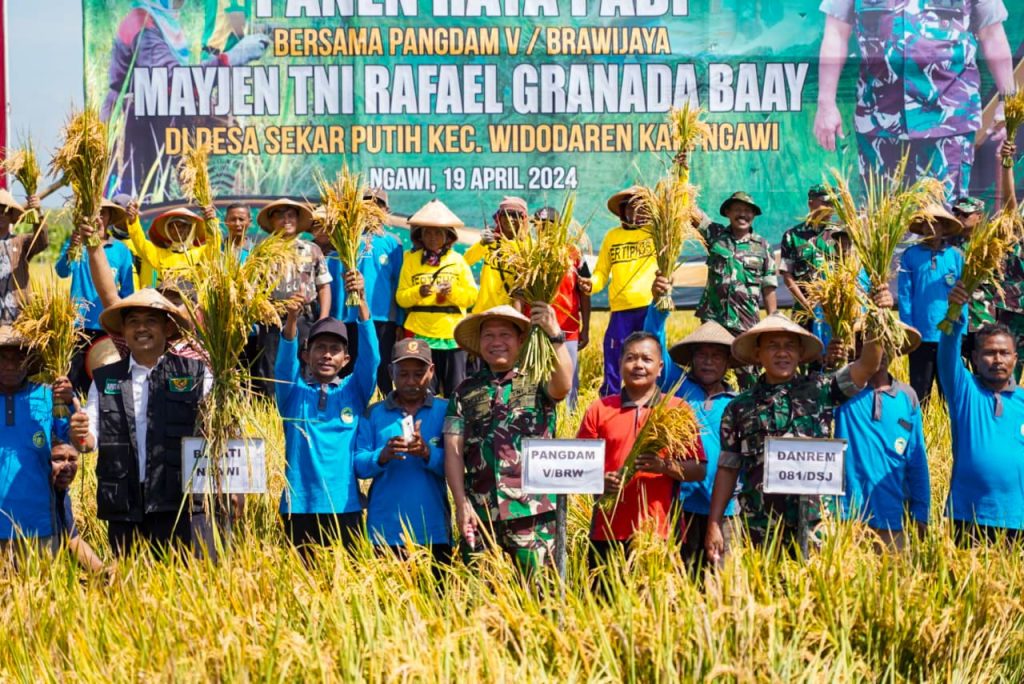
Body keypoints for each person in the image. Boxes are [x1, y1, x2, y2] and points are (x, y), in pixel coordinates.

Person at [705, 283, 893, 561]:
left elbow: (868, 365)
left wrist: (879, 314)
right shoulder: (738, 407)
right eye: (773, 347)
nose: (782, 353)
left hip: (817, 522)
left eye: (789, 346)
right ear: (758, 355)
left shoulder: (822, 388)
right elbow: (727, 469)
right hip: (762, 525)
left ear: (800, 353)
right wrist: (713, 523)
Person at [814, 0, 1014, 199]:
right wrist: (826, 105)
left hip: (948, 123)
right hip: (879, 123)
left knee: (946, 221)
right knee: (881, 223)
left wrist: (1008, 102)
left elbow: (992, 35)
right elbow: (836, 34)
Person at [69, 289, 212, 556]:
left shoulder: (196, 374)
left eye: (151, 321)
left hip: (178, 504)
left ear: (168, 327)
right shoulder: (104, 379)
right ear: (123, 330)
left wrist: (232, 491)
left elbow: (218, 432)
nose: (141, 328)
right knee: (126, 588)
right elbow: (90, 440)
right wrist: (80, 435)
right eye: (133, 321)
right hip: (124, 504)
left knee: (180, 587)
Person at [444, 304, 573, 573]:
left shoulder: (539, 379)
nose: (496, 342)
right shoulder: (464, 391)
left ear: (521, 340)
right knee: (478, 597)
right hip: (480, 512)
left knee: (540, 593)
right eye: (488, 336)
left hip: (533, 511)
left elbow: (564, 385)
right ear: (479, 343)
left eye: (505, 335)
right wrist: (460, 503)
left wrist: (556, 336)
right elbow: (453, 450)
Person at [101, 0, 270, 194]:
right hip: (133, 134)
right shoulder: (142, 23)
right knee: (137, 201)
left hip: (155, 126)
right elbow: (171, 81)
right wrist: (231, 58)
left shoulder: (162, 21)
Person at [578, 331, 706, 566]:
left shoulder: (677, 410)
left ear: (659, 368)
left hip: (661, 531)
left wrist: (663, 466)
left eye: (646, 359)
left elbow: (698, 469)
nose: (638, 365)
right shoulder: (599, 409)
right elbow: (578, 469)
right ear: (620, 364)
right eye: (631, 358)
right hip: (606, 530)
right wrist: (599, 480)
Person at [275, 273, 379, 553]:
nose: (327, 355)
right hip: (299, 506)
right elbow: (284, 366)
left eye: (335, 349)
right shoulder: (293, 394)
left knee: (345, 589)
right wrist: (293, 320)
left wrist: (363, 304)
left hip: (345, 504)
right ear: (306, 355)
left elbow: (371, 360)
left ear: (346, 359)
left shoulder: (353, 393)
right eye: (319, 348)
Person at [644, 284, 740, 570]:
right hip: (681, 505)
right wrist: (659, 303)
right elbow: (654, 342)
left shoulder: (736, 403)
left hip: (726, 510)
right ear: (692, 359)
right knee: (683, 574)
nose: (708, 361)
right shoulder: (678, 387)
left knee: (722, 581)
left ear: (727, 363)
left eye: (717, 356)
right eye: (701, 355)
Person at [942, 282, 1024, 544]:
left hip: (1017, 519)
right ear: (975, 359)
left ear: (1015, 359)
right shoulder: (965, 392)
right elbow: (947, 354)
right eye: (989, 353)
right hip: (970, 516)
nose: (997, 359)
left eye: (1004, 353)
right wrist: (955, 313)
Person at [354, 338, 450, 563]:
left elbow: (458, 465)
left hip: (433, 531)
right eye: (403, 374)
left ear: (432, 371)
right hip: (385, 531)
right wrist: (381, 456)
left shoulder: (446, 411)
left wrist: (429, 453)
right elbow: (358, 463)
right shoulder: (374, 414)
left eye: (418, 374)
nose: (411, 381)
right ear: (390, 372)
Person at [834, 326, 929, 550]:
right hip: (846, 515)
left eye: (887, 343)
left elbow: (917, 459)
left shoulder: (908, 397)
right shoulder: (840, 391)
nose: (880, 351)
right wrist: (830, 363)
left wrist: (922, 510)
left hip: (894, 514)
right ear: (857, 349)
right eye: (871, 343)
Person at [396, 199, 478, 397]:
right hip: (421, 334)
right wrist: (418, 292)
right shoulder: (411, 260)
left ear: (448, 236)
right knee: (425, 390)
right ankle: (424, 427)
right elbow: (400, 298)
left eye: (438, 232)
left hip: (452, 335)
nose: (432, 237)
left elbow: (471, 297)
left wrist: (453, 292)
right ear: (420, 235)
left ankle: (454, 427)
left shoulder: (457, 261)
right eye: (428, 232)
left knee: (456, 391)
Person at [696, 191, 778, 388]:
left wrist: (774, 319)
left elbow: (768, 287)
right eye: (738, 209)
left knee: (749, 377)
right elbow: (691, 212)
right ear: (728, 212)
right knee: (708, 372)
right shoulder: (714, 235)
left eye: (748, 211)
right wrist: (682, 173)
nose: (743, 214)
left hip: (745, 322)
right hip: (713, 320)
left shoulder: (763, 246)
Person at [0, 328, 71, 556]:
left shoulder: (49, 396)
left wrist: (71, 403)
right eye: (2, 358)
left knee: (42, 590)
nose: (10, 365)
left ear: (30, 361)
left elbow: (78, 442)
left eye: (19, 357)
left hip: (39, 526)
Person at [56, 199, 136, 395]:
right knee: (75, 379)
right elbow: (62, 271)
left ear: (109, 218)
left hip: (108, 326)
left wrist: (125, 323)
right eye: (93, 213)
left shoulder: (121, 251)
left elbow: (127, 292)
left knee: (106, 382)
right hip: (78, 325)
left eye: (103, 214)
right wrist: (71, 249)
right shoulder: (76, 244)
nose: (98, 219)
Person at [253, 198, 333, 395]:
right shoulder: (262, 251)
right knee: (271, 368)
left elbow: (323, 286)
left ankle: (302, 411)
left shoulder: (312, 249)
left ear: (297, 220)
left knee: (306, 366)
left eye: (290, 215)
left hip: (306, 319)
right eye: (279, 216)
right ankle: (272, 415)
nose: (285, 220)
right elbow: (253, 289)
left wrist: (323, 320)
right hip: (273, 321)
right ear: (271, 222)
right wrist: (265, 310)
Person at [589, 186, 658, 397]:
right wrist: (589, 284)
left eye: (641, 207)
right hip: (621, 311)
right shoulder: (613, 236)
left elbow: (681, 202)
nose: (635, 212)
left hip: (650, 308)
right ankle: (610, 401)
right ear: (622, 211)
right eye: (630, 207)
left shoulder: (657, 232)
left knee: (650, 357)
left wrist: (683, 171)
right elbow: (601, 272)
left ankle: (651, 402)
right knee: (615, 359)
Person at [338, 188, 404, 396]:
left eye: (378, 204)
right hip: (352, 317)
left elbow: (398, 283)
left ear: (387, 210)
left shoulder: (393, 242)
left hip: (383, 317)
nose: (372, 209)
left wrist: (399, 321)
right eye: (366, 204)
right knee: (354, 365)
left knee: (382, 365)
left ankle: (382, 406)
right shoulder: (349, 238)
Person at [897, 204, 964, 404]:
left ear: (944, 227)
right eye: (925, 224)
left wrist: (962, 329)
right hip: (921, 334)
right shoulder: (910, 255)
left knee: (949, 392)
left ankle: (950, 434)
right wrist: (908, 329)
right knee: (920, 390)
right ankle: (920, 432)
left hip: (949, 333)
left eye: (935, 224)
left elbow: (964, 295)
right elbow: (905, 294)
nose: (930, 228)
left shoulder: (956, 256)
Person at [536, 206, 590, 410]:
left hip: (567, 330)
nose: (543, 228)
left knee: (567, 381)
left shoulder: (574, 253)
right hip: (537, 329)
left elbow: (585, 292)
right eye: (539, 224)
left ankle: (567, 429)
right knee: (536, 383)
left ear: (559, 227)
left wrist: (586, 327)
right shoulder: (530, 253)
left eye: (549, 224)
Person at [779, 185, 843, 338]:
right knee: (808, 356)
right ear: (811, 203)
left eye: (833, 204)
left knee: (837, 356)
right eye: (825, 203)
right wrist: (806, 305)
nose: (830, 208)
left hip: (836, 314)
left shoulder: (841, 235)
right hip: (805, 311)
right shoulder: (792, 235)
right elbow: (787, 275)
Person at [950, 195, 995, 361]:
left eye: (965, 214)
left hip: (981, 317)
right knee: (955, 372)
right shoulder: (948, 244)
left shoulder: (990, 244)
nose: (960, 218)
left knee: (983, 371)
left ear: (979, 217)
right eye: (957, 214)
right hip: (955, 318)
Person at [50, 442, 106, 574]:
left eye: (72, 459)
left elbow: (72, 541)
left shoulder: (61, 494)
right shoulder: (33, 498)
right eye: (58, 459)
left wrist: (102, 572)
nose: (66, 467)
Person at [464, 196, 524, 314]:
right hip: (483, 312)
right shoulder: (490, 241)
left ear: (523, 219)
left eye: (514, 215)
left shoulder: (526, 248)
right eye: (505, 214)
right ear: (498, 217)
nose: (509, 219)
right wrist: (482, 244)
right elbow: (464, 262)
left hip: (510, 315)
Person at [126, 205, 210, 288]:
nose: (177, 230)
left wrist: (211, 222)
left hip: (198, 301)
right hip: (167, 301)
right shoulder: (158, 255)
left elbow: (214, 246)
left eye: (182, 226)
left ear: (190, 228)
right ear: (167, 230)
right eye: (173, 226)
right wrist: (133, 222)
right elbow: (141, 244)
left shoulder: (202, 253)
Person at [0, 189, 45, 323]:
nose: (1, 215)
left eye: (6, 211)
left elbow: (41, 242)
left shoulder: (21, 242)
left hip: (18, 317)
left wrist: (37, 213)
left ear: (11, 216)